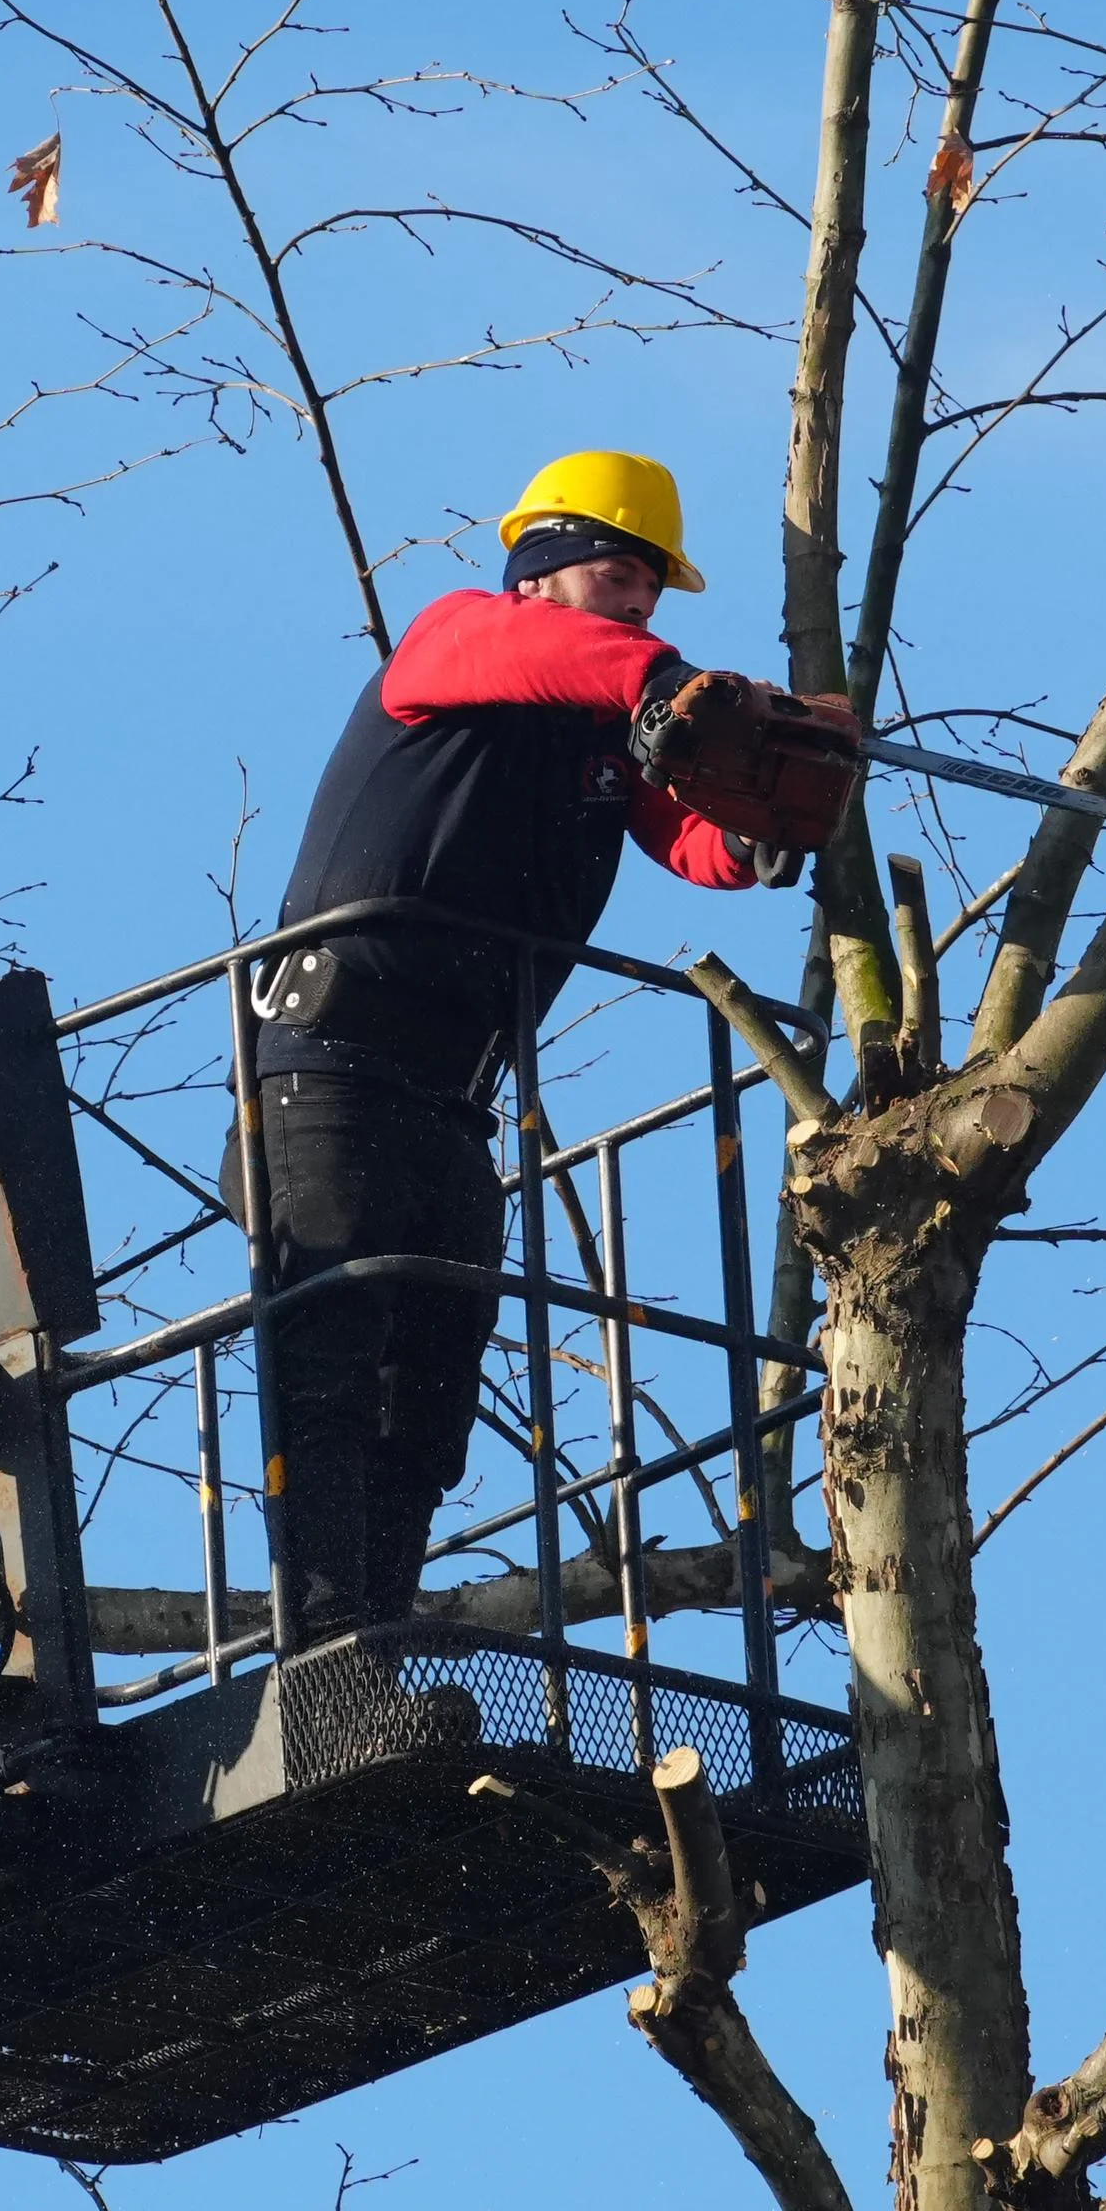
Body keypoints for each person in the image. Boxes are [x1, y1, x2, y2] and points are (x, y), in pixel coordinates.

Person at [239, 450, 797, 1637]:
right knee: (328, 1369)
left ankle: (368, 1654)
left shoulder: (596, 734)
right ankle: (321, 1662)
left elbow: (685, 835)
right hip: (324, 1068)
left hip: (450, 1104)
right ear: (541, 574)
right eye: (616, 581)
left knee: (424, 1405)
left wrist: (761, 826)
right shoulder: (454, 641)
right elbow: (597, 671)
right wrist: (662, 679)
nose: (639, 610)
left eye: (652, 598)